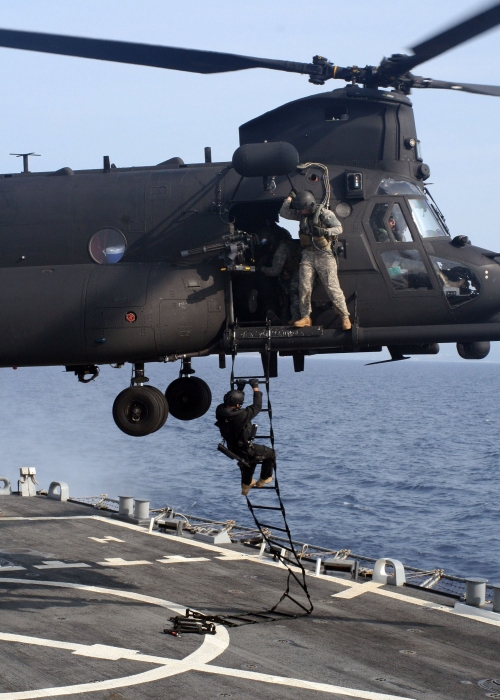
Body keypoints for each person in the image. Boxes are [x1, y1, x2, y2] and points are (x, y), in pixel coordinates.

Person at [280, 191, 351, 330]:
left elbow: (339, 228)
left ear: (310, 205)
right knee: (304, 287)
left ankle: (345, 317)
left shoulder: (325, 214)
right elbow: (284, 213)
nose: (300, 211)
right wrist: (289, 199)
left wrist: (324, 232)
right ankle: (305, 317)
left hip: (324, 254)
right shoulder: (302, 215)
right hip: (308, 254)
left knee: (332, 287)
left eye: (302, 208)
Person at [215, 379, 275, 496]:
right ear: (238, 404)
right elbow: (257, 406)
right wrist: (255, 387)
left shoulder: (219, 412)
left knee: (249, 461)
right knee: (271, 454)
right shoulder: (242, 415)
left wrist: (239, 390)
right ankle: (264, 478)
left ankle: (246, 487)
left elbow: (231, 403)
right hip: (245, 449)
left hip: (232, 449)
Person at [259, 226, 301, 324]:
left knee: (293, 294)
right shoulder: (292, 245)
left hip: (295, 276)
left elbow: (274, 271)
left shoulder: (282, 248)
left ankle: (296, 318)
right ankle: (285, 319)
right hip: (295, 274)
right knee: (285, 297)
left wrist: (261, 269)